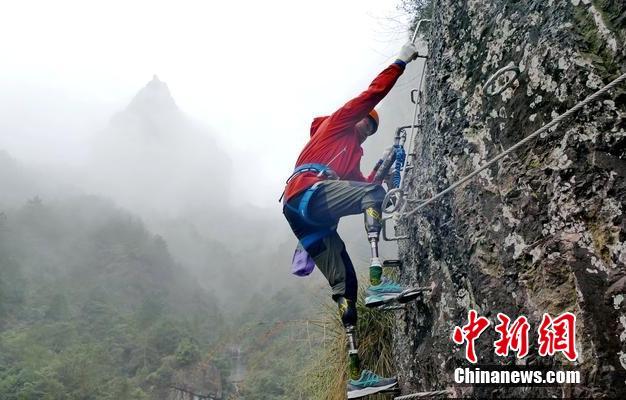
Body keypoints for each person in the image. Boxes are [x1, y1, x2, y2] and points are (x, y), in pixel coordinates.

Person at [281, 41, 420, 398]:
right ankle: (379, 281)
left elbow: (367, 187)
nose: (368, 128)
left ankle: (356, 376)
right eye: (368, 122)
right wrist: (401, 62)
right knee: (370, 197)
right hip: (307, 192)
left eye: (372, 129)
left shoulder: (350, 157)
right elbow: (372, 94)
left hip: (306, 217)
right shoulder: (335, 126)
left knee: (345, 286)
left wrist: (387, 169)